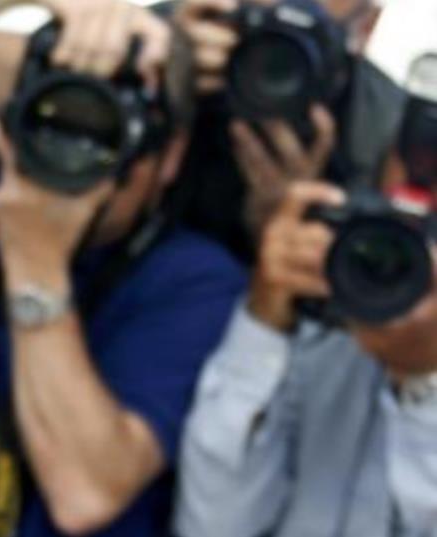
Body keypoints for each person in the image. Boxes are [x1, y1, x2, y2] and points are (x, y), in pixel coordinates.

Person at [0, 4, 247, 536]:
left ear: (168, 155)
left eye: (109, 122)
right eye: (64, 104)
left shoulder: (197, 281)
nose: (78, 143)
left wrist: (36, 259)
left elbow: (85, 492)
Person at [174, 50, 437, 536]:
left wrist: (423, 379)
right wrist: (264, 319)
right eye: (423, 147)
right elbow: (214, 521)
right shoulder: (335, 295)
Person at [173, 0, 380, 264]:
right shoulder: (184, 29)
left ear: (366, 30)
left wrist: (303, 223)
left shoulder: (389, 137)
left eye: (316, 38)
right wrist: (167, 74)